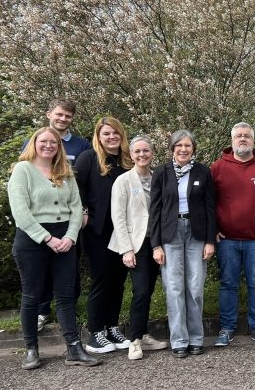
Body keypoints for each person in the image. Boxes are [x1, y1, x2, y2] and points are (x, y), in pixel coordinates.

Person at [8, 127, 101, 369]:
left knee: (65, 295)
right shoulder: (23, 170)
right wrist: (47, 239)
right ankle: (31, 349)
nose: (49, 145)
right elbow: (20, 212)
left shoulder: (65, 171)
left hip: (65, 239)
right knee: (32, 295)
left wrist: (70, 237)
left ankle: (73, 348)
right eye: (44, 141)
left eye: (54, 142)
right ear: (34, 143)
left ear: (59, 146)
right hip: (32, 240)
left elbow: (76, 207)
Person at [211, 123, 255, 347]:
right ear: (232, 140)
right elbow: (206, 202)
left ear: (253, 140)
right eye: (238, 136)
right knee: (228, 285)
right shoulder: (217, 167)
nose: (243, 139)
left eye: (247, 136)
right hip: (227, 241)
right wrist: (212, 229)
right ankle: (226, 329)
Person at [149, 130, 216, 358]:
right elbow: (154, 211)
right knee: (174, 288)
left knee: (195, 288)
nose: (184, 149)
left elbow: (210, 208)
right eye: (179, 145)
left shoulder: (203, 172)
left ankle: (196, 338)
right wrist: (156, 245)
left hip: (196, 234)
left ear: (193, 149)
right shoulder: (161, 172)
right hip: (171, 235)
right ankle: (178, 340)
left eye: (188, 145)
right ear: (172, 149)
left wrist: (210, 240)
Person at [28, 99, 91, 332]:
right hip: (41, 219)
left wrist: (84, 210)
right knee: (41, 269)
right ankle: (42, 311)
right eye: (59, 114)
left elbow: (85, 181)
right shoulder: (35, 141)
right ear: (49, 115)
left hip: (70, 217)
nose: (63, 119)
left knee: (69, 267)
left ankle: (68, 310)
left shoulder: (81, 145)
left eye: (67, 116)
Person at [108, 136, 169, 360]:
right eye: (137, 151)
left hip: (158, 241)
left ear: (152, 153)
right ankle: (134, 340)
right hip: (136, 244)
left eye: (146, 151)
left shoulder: (159, 179)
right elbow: (118, 217)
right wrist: (126, 249)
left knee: (149, 290)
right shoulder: (123, 181)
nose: (142, 155)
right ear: (131, 154)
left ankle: (142, 334)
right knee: (141, 291)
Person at [76, 116, 133, 354]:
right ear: (98, 137)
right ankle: (95, 332)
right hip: (98, 231)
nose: (111, 137)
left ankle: (111, 327)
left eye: (115, 133)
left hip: (123, 232)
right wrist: (83, 210)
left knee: (118, 282)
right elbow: (75, 188)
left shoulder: (127, 161)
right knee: (101, 281)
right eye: (106, 134)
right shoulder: (89, 158)